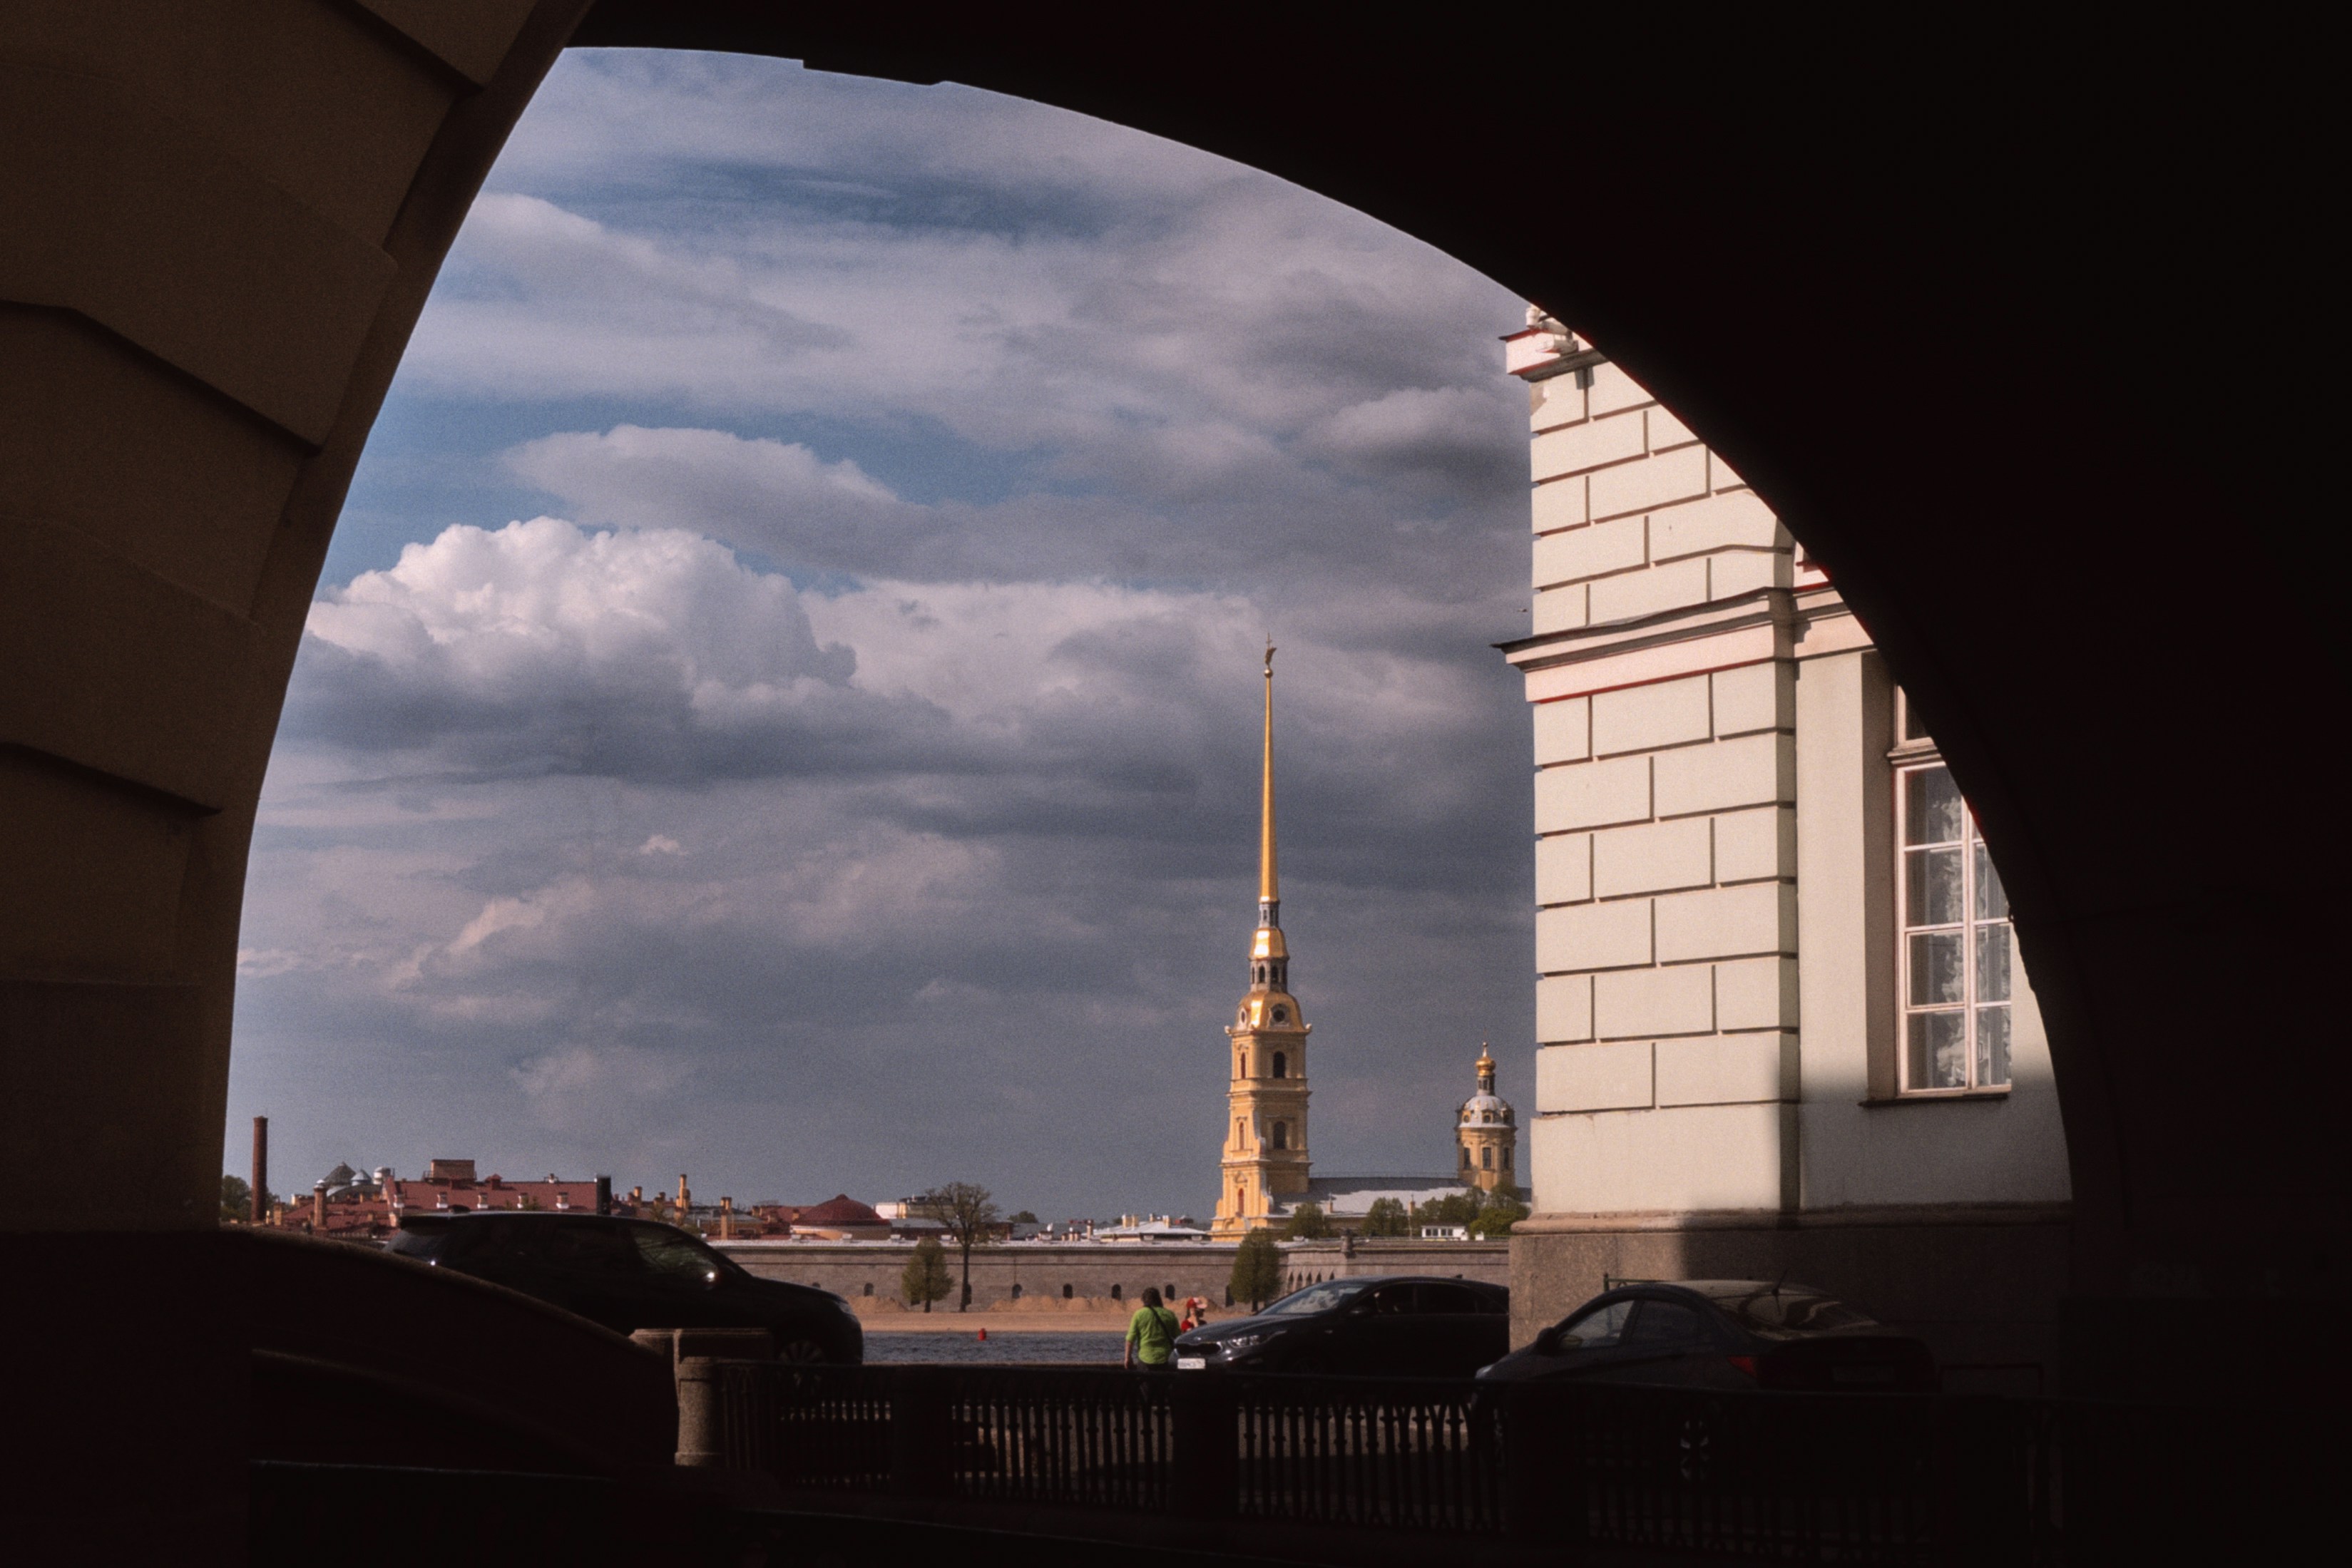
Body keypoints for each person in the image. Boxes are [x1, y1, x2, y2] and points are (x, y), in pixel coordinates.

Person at [1123, 1286, 1180, 1370]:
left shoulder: (1139, 1314)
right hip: (1165, 1358)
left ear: (1144, 1300)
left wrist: (1128, 1358)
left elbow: (1130, 1340)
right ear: (1159, 1299)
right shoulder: (1170, 1314)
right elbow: (1178, 1338)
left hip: (1145, 1358)